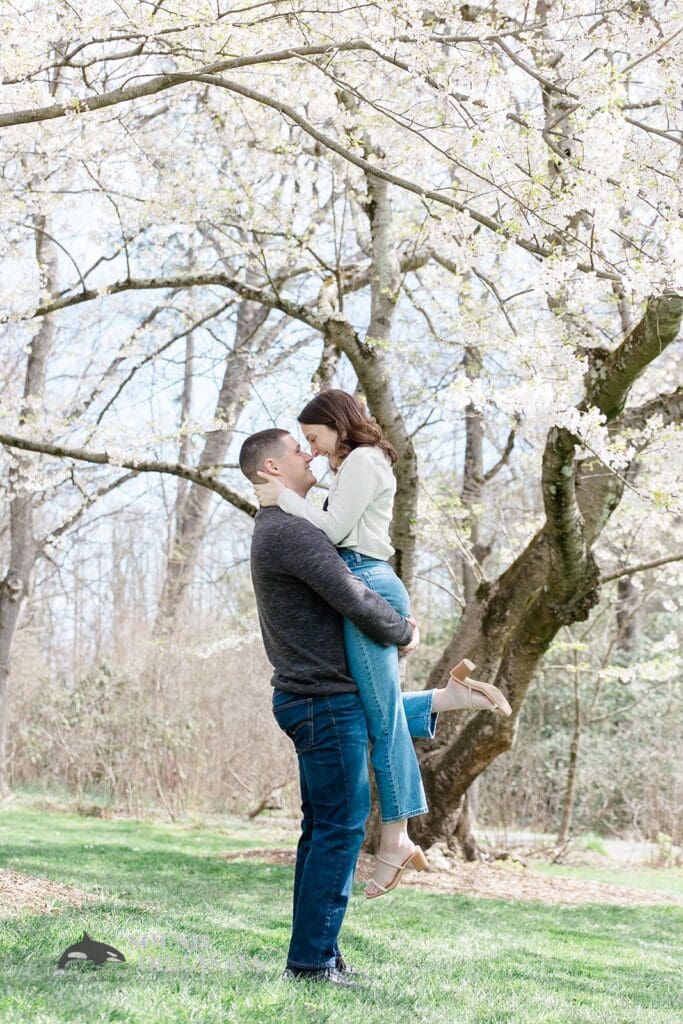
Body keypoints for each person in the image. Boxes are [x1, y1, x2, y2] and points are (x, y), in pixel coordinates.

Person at [254, 389, 511, 899]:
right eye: (305, 444)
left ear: (336, 422)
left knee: (381, 716)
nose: (314, 451)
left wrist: (285, 498)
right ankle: (449, 699)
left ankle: (396, 836)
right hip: (363, 576)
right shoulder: (351, 465)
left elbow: (331, 528)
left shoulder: (366, 461)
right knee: (373, 706)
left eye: (315, 437)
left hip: (367, 579)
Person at [239, 427, 431, 987]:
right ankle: (312, 963)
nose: (311, 454)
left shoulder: (282, 525)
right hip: (323, 700)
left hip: (311, 697)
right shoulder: (289, 533)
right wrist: (402, 633)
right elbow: (351, 594)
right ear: (273, 469)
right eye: (299, 451)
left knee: (321, 828)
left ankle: (316, 951)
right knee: (341, 828)